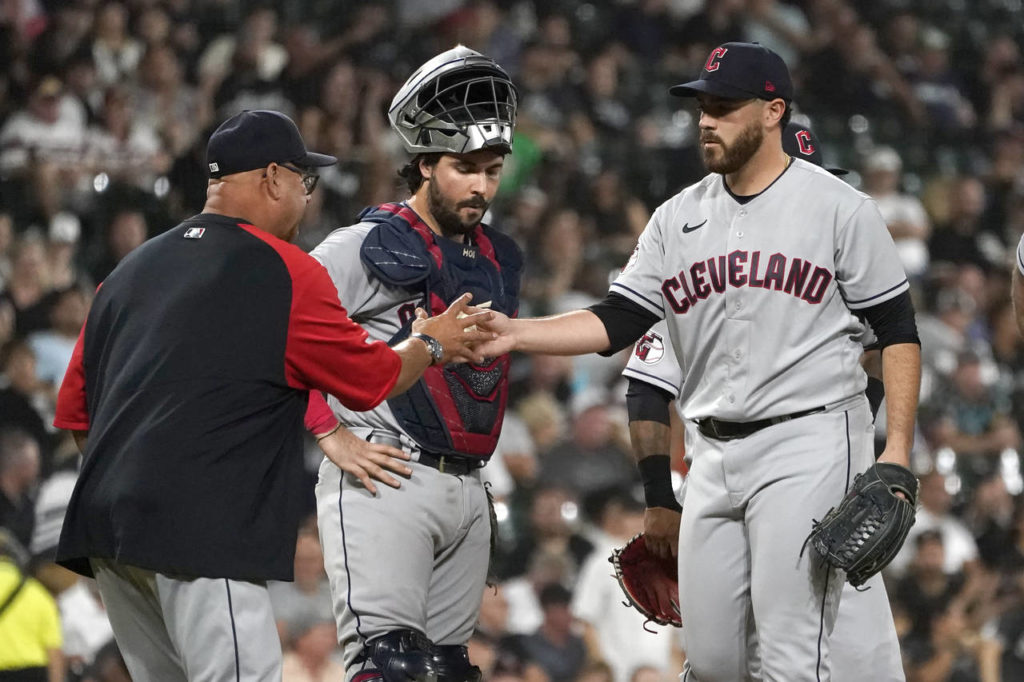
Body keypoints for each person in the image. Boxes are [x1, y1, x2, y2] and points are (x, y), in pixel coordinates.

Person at [473, 42, 921, 681]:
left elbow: (897, 330)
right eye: (702, 107)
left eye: (725, 107)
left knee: (794, 655)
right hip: (710, 452)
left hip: (809, 439)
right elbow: (617, 319)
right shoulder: (676, 216)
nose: (707, 121)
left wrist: (895, 450)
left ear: (773, 111)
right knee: (711, 662)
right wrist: (516, 333)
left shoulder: (840, 209)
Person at [51, 109, 493, 682]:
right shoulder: (285, 269)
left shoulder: (128, 271)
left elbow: (77, 415)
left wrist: (138, 481)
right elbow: (373, 379)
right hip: (201, 527)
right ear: (273, 178)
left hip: (107, 530)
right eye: (305, 181)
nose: (308, 198)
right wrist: (429, 343)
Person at [620, 121, 904, 682]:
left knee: (856, 660)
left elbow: (884, 347)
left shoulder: (840, 257)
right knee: (724, 663)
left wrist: (857, 441)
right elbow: (647, 385)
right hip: (729, 480)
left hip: (828, 491)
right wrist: (659, 499)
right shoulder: (711, 273)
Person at [309, 45, 521, 682]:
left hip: (469, 484)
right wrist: (328, 432)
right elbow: (275, 332)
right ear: (425, 163)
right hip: (386, 474)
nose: (481, 185)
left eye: (492, 170)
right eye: (464, 167)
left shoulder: (499, 257)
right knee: (392, 669)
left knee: (447, 672)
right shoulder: (363, 245)